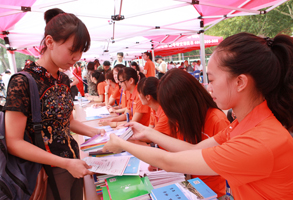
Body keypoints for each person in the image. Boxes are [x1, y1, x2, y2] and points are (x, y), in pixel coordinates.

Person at [103, 33, 293, 199]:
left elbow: (169, 162)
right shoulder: (244, 125)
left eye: (211, 79)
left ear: (240, 82)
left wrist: (121, 144)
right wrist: (147, 132)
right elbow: (194, 149)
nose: (208, 87)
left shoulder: (258, 142)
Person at [4, 8, 105, 200]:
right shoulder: (23, 82)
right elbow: (13, 142)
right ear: (49, 42)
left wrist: (96, 133)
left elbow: (67, 122)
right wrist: (65, 163)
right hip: (45, 172)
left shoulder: (63, 80)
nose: (77, 58)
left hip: (73, 164)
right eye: (72, 50)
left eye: (80, 51)